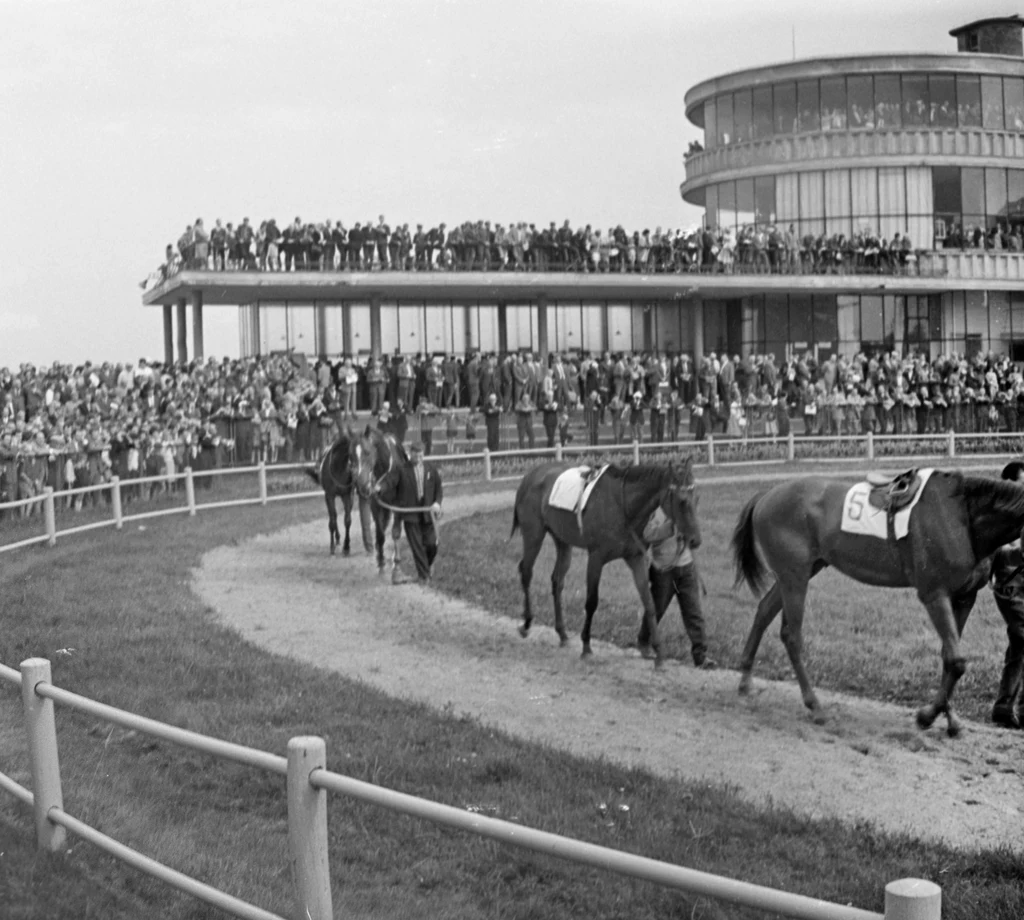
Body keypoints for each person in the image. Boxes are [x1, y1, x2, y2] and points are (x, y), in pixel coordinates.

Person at [638, 504, 714, 669]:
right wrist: (670, 527)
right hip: (663, 571)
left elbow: (694, 540)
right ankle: (644, 640)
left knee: (694, 613)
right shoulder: (653, 511)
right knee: (656, 610)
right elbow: (646, 535)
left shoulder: (685, 510)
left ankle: (700, 656)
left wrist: (698, 573)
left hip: (686, 568)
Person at [990, 460, 1024, 728]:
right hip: (1009, 584)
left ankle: (1005, 707)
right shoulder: (998, 515)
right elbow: (996, 553)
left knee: (1018, 645)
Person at [396, 441, 443, 583]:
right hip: (411, 515)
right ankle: (424, 576)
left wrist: (437, 503)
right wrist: (380, 488)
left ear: (424, 454)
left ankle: (427, 567)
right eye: (415, 453)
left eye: (421, 453)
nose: (419, 456)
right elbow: (391, 484)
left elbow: (438, 489)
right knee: (417, 547)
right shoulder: (402, 470)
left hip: (428, 515)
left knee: (431, 545)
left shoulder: (431, 469)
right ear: (410, 454)